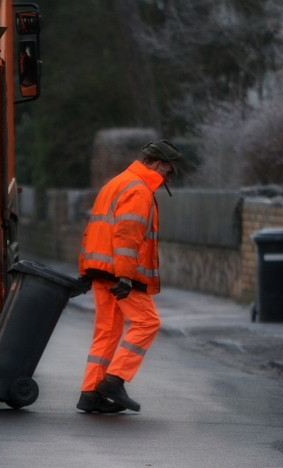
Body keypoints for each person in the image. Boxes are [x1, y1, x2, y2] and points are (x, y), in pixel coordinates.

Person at [76, 140, 181, 413]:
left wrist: (85, 268)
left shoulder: (117, 182)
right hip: (119, 272)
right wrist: (124, 276)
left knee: (107, 331)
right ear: (158, 164)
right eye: (169, 170)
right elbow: (127, 235)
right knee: (148, 322)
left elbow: (92, 228)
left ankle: (90, 392)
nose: (169, 176)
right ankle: (114, 379)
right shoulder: (139, 190)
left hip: (100, 268)